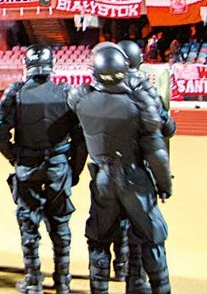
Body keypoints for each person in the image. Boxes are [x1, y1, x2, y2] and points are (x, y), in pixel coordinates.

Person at [67, 44, 172, 294]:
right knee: (152, 237)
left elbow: (75, 106)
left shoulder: (82, 100)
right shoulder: (139, 105)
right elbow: (158, 153)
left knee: (99, 239)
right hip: (135, 178)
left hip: (102, 179)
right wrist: (165, 185)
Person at [0, 44, 87, 294]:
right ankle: (63, 281)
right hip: (58, 165)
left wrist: (14, 157)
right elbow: (81, 140)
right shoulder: (67, 92)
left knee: (28, 223)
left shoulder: (17, 92)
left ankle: (33, 279)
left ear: (27, 64)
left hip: (27, 165)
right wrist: (74, 171)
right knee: (60, 224)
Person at [116, 40, 177, 292]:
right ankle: (137, 279)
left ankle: (122, 268)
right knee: (144, 227)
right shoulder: (143, 88)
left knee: (115, 224)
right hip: (139, 168)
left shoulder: (98, 87)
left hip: (108, 169)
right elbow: (166, 127)